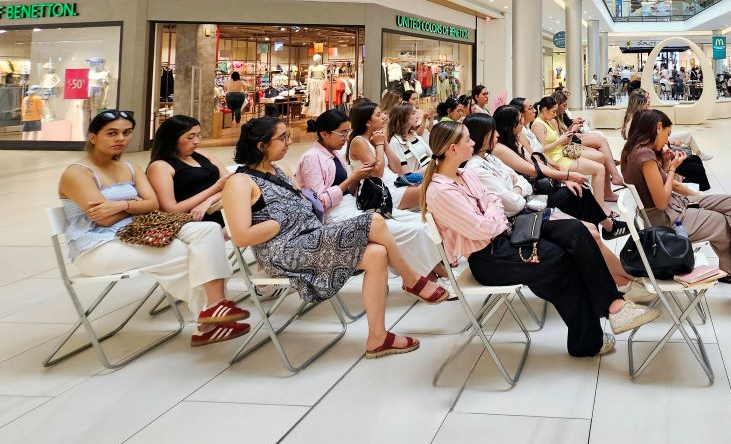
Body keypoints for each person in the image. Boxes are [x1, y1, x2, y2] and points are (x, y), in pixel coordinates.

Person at [422, 120, 658, 358]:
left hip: (507, 233)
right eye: (467, 139)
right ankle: (599, 326)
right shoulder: (442, 191)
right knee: (561, 259)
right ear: (453, 149)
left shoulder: (464, 174)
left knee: (575, 230)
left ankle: (613, 307)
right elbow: (485, 226)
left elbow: (499, 201)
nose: (472, 142)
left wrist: (494, 208)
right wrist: (494, 208)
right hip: (489, 258)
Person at [223, 117, 446, 359]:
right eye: (282, 138)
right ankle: (412, 279)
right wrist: (279, 222)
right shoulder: (240, 182)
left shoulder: (280, 169)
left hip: (310, 239)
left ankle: (378, 337)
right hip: (283, 253)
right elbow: (242, 236)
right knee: (374, 221)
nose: (289, 142)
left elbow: (305, 205)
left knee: (377, 253)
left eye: (288, 136)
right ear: (261, 145)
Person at [59, 110, 249, 346]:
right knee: (192, 253)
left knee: (209, 231)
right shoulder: (77, 173)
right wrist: (136, 204)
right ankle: (211, 318)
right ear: (93, 137)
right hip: (99, 248)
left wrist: (122, 205)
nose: (121, 138)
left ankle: (214, 308)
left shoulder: (130, 167)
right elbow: (104, 220)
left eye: (127, 132)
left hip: (137, 233)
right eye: (112, 133)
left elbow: (153, 205)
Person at [620, 108, 731, 307]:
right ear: (658, 127)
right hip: (667, 219)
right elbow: (661, 201)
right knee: (728, 224)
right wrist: (672, 169)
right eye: (667, 133)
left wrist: (665, 163)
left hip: (674, 207)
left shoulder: (632, 152)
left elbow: (655, 187)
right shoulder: (645, 156)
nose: (667, 140)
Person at [336, 103, 445, 279]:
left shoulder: (376, 139)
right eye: (378, 115)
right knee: (433, 192)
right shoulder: (358, 142)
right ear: (368, 122)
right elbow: (377, 172)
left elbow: (396, 167)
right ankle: (438, 269)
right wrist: (380, 145)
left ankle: (437, 264)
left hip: (391, 184)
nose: (384, 117)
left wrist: (384, 144)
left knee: (426, 216)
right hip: (380, 192)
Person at [488, 108, 628, 239]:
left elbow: (537, 161)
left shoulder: (516, 140)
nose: (523, 123)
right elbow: (534, 169)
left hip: (540, 182)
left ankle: (603, 228)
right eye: (519, 121)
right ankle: (607, 227)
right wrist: (567, 176)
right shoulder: (501, 148)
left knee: (581, 189)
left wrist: (565, 178)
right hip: (530, 198)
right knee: (579, 192)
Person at [146, 115, 231, 224]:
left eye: (198, 135)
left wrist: (209, 201)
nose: (196, 141)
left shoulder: (204, 154)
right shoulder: (160, 166)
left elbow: (231, 183)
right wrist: (216, 187)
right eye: (190, 137)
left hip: (221, 203)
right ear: (173, 139)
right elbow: (171, 210)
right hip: (197, 218)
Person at [622, 89, 711, 189]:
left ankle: (699, 190)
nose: (649, 105)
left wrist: (668, 149)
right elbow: (663, 190)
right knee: (697, 169)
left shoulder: (640, 122)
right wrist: (671, 166)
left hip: (661, 158)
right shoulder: (645, 154)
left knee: (696, 160)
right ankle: (697, 190)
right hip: (660, 160)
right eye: (647, 103)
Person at [531, 96, 611, 202]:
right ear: (545, 110)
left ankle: (598, 194)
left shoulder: (549, 121)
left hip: (562, 152)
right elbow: (542, 150)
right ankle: (600, 204)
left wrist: (569, 133)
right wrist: (560, 140)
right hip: (556, 159)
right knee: (599, 168)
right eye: (554, 111)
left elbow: (560, 142)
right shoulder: (538, 125)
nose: (555, 114)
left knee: (600, 157)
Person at [552, 89, 626, 198]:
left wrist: (574, 126)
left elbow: (563, 134)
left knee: (600, 140)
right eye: (564, 105)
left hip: (569, 141)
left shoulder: (560, 115)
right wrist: (574, 129)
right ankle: (613, 179)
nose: (565, 107)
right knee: (601, 147)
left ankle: (611, 182)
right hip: (568, 145)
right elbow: (561, 139)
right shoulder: (553, 119)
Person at [386, 103, 432, 197]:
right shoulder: (395, 142)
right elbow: (405, 176)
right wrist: (430, 168)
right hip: (420, 181)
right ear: (403, 117)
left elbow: (430, 155)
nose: (417, 116)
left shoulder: (413, 134)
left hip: (431, 174)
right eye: (413, 113)